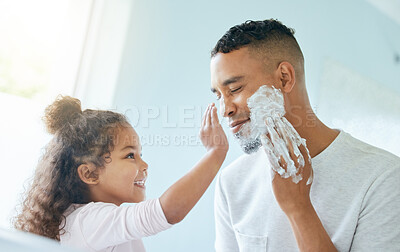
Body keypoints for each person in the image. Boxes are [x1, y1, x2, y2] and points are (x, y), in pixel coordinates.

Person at [210, 19, 400, 252]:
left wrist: (298, 208)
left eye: (235, 89)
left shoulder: (383, 178)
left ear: (284, 78)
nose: (224, 109)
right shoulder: (231, 182)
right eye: (219, 95)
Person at [13, 96, 228, 252]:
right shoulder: (86, 221)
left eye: (140, 154)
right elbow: (167, 211)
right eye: (130, 156)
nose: (144, 165)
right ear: (89, 173)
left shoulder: (93, 221)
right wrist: (215, 153)